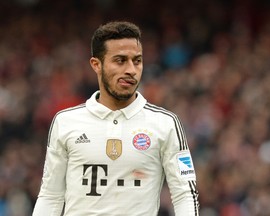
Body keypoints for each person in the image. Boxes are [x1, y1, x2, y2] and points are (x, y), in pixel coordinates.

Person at [32, 21, 200, 216]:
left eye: (137, 61)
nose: (131, 70)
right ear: (96, 65)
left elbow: (185, 193)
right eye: (120, 60)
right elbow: (51, 195)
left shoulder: (166, 124)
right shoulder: (66, 121)